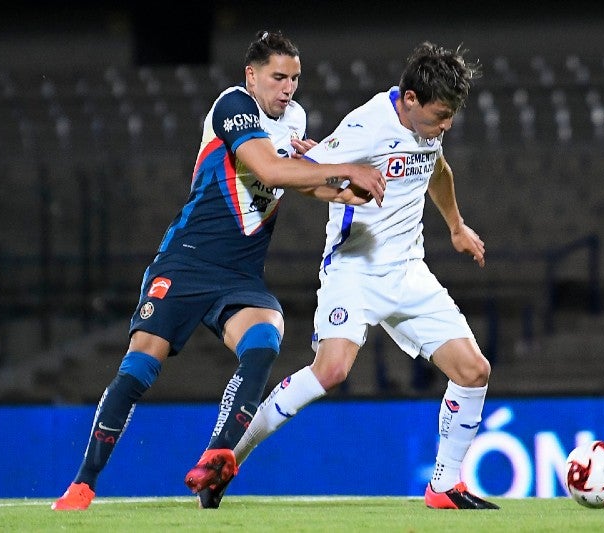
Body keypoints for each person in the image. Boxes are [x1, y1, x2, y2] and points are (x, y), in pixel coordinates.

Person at [51, 30, 386, 511]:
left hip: (240, 272)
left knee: (265, 338)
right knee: (140, 368)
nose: (288, 88)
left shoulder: (294, 119)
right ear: (251, 76)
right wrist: (343, 168)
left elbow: (294, 183)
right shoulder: (233, 105)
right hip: (187, 260)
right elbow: (269, 171)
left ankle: (215, 459)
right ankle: (83, 483)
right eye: (277, 77)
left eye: (294, 78)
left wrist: (338, 189)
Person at [200, 42, 500, 510]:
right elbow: (300, 177)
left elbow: (438, 170)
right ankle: (227, 455)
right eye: (441, 115)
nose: (447, 125)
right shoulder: (367, 125)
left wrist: (457, 227)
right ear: (410, 99)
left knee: (474, 370)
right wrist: (335, 175)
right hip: (353, 269)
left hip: (407, 271)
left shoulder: (428, 125)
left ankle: (444, 485)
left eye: (451, 116)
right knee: (332, 371)